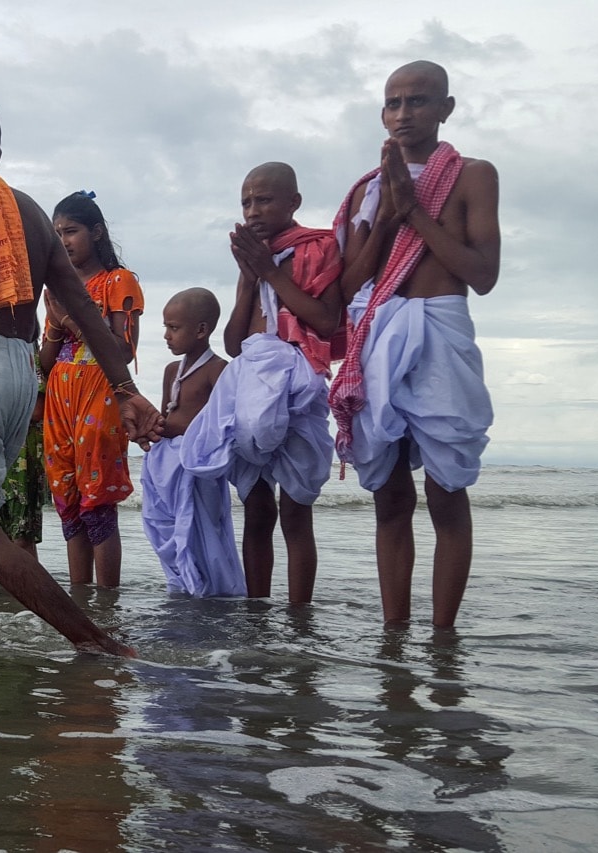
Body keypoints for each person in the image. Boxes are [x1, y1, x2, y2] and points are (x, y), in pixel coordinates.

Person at [0, 96, 163, 656]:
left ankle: (96, 642)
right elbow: (86, 311)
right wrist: (126, 389)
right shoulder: (28, 210)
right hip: (17, 372)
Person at [330, 61, 500, 629]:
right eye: (395, 103)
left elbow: (482, 273)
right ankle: (394, 633)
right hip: (379, 334)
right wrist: (386, 214)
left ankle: (444, 636)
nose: (405, 113)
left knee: (447, 490)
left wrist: (415, 212)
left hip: (440, 333)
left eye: (419, 101)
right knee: (390, 496)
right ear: (382, 113)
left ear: (446, 109)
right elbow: (349, 285)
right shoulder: (366, 188)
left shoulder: (474, 175)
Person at [184, 162, 342, 603]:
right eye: (246, 202)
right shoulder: (254, 261)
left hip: (296, 383)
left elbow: (327, 322)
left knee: (294, 511)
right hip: (249, 382)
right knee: (256, 509)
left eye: (264, 200)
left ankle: (298, 614)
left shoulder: (319, 248)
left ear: (294, 202)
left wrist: (270, 273)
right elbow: (235, 342)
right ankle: (257, 610)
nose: (253, 211)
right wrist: (250, 279)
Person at [40, 191, 144, 588]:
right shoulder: (56, 288)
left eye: (72, 231)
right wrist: (54, 322)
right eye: (57, 233)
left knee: (97, 500)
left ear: (96, 232)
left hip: (100, 394)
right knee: (68, 502)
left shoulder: (119, 281)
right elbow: (48, 360)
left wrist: (72, 322)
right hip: (60, 397)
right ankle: (79, 597)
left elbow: (122, 349)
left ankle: (106, 601)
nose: (63, 240)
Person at [140, 290, 245, 596]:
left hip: (197, 470)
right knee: (168, 530)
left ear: (201, 330)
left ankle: (212, 592)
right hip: (166, 469)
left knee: (203, 534)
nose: (166, 336)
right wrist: (150, 429)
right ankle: (182, 586)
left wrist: (171, 428)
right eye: (165, 328)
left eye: (174, 328)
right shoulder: (171, 370)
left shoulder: (218, 370)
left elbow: (218, 425)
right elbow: (165, 415)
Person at [0, 347, 47, 558]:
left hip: (22, 456)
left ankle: (24, 590)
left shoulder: (27, 354)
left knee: (20, 535)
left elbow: (37, 410)